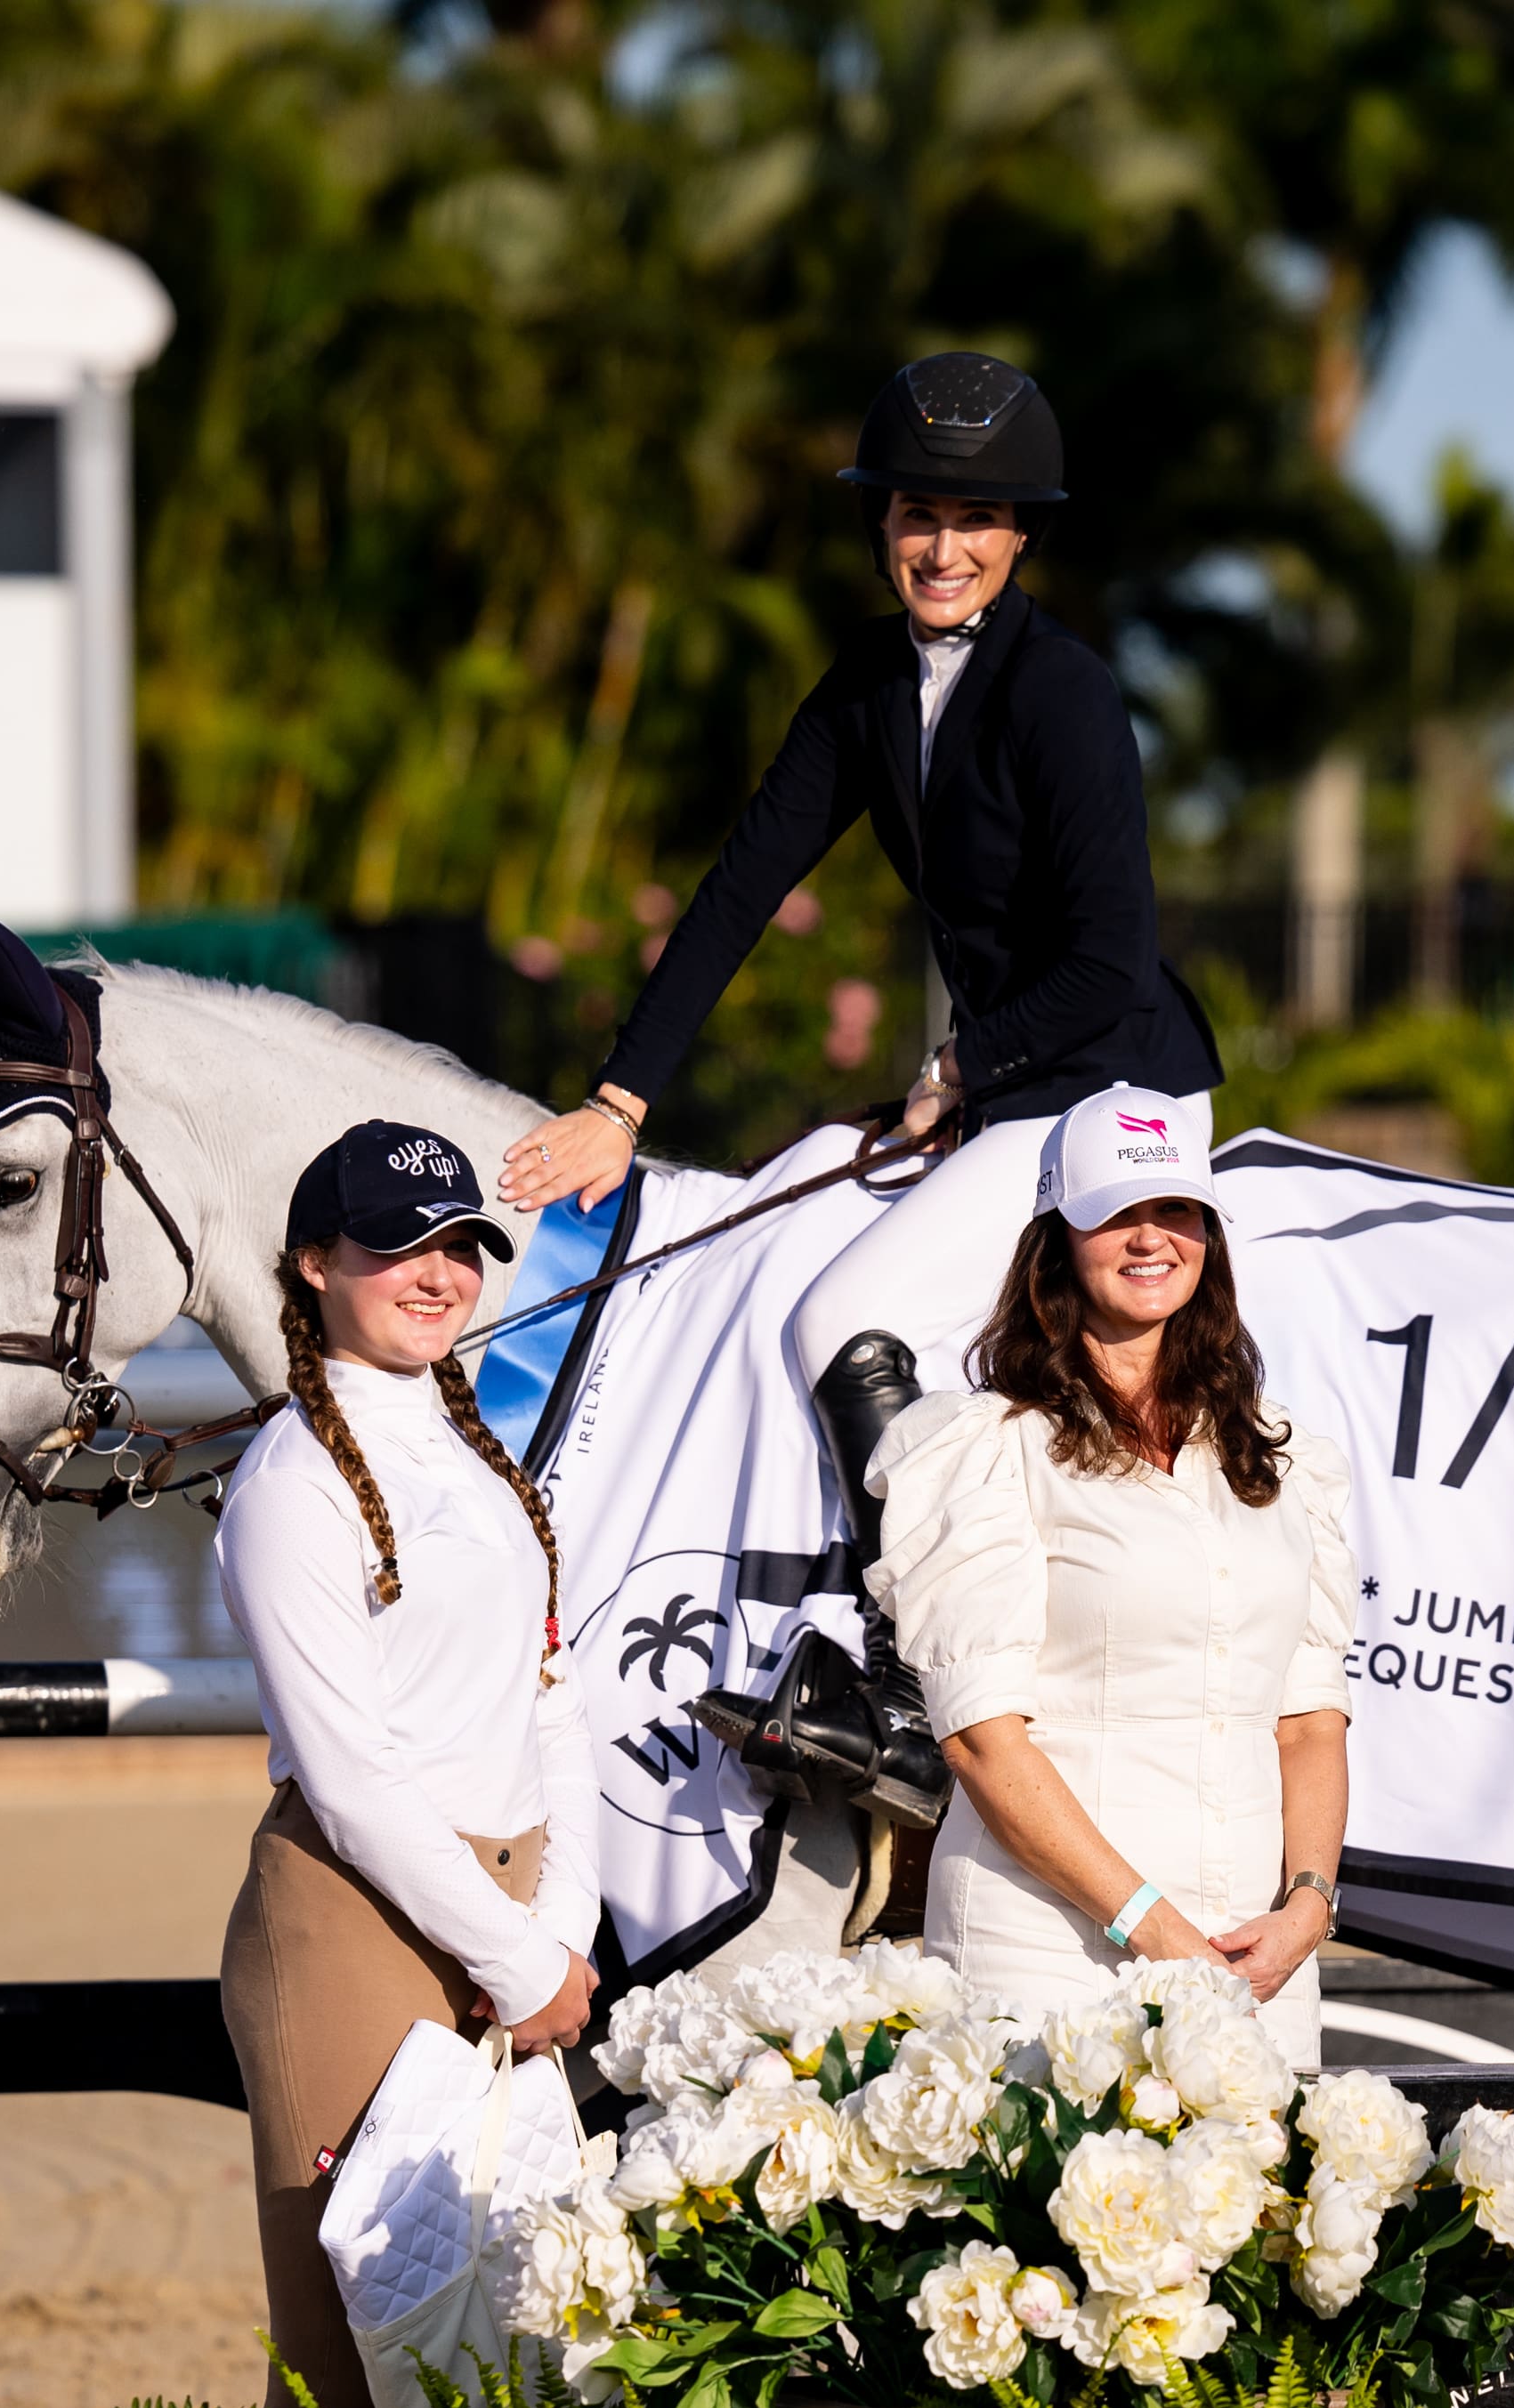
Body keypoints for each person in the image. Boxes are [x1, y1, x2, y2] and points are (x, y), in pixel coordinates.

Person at [492, 352, 1222, 1834]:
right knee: (785, 1232)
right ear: (883, 523)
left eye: (976, 519)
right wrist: (621, 1101)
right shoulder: (867, 688)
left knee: (846, 1314)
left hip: (1114, 1088)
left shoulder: (1067, 696)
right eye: (916, 514)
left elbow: (1108, 965)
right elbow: (739, 889)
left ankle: (911, 1677)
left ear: (1021, 537)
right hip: (1013, 1089)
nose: (941, 548)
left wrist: (960, 1070)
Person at [211, 1119, 599, 2408]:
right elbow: (356, 1778)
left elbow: (553, 1702)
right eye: (393, 1246)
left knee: (507, 2341)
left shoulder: (479, 1457)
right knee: (342, 2361)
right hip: (351, 1931)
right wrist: (520, 1959)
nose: (432, 1274)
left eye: (456, 1247)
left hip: (507, 1911)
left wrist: (555, 1924)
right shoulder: (289, 1485)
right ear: (316, 1267)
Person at [862, 1087, 1351, 2065]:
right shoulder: (986, 1449)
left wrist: (1307, 1905)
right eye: (1116, 1213)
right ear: (1057, 1242)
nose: (1150, 1238)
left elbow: (1308, 1722)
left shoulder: (1286, 1457)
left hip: (1260, 1967)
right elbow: (984, 1745)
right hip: (1048, 1959)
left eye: (1176, 1211)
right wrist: (1157, 1932)